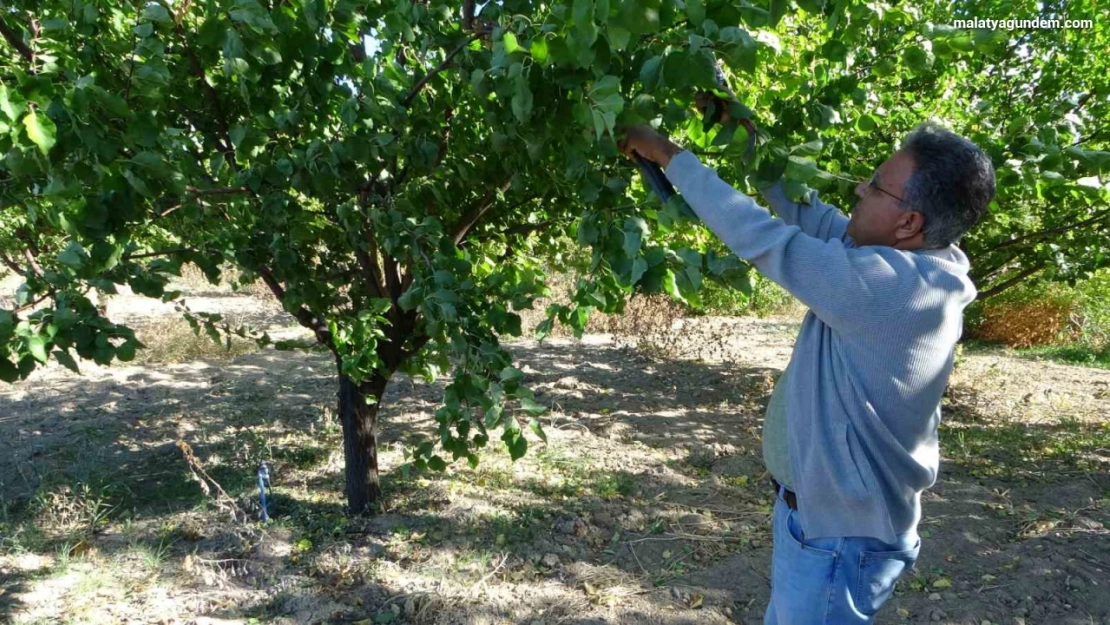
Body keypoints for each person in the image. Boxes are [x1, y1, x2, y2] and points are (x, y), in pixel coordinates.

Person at [619, 121, 996, 624]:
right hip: (823, 520)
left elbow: (768, 238)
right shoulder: (897, 260)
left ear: (908, 223)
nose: (860, 189)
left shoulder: (893, 289)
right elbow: (804, 211)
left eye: (876, 185)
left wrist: (671, 155)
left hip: (839, 536)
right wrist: (738, 125)